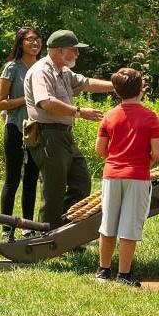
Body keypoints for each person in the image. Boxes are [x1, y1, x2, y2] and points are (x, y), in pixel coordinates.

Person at [24, 29, 115, 231]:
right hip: (47, 135)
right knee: (53, 190)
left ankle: (64, 231)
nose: (77, 54)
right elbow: (45, 102)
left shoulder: (63, 70)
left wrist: (117, 86)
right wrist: (80, 112)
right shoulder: (42, 70)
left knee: (81, 181)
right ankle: (46, 237)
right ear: (59, 50)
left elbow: (86, 83)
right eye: (74, 50)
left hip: (63, 135)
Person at [94, 67, 159, 286]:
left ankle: (102, 271)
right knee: (129, 226)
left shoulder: (109, 115)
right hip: (138, 175)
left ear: (116, 91)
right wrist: (145, 163)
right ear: (141, 89)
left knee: (108, 224)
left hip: (112, 174)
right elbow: (158, 152)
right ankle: (123, 275)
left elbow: (100, 150)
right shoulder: (151, 117)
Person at [0, 27, 42, 239]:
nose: (35, 43)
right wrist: (27, 99)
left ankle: (28, 226)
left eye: (38, 39)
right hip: (14, 127)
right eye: (29, 39)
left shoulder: (43, 68)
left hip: (35, 129)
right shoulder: (12, 68)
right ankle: (6, 228)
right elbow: (0, 103)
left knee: (32, 178)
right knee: (12, 179)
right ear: (20, 43)